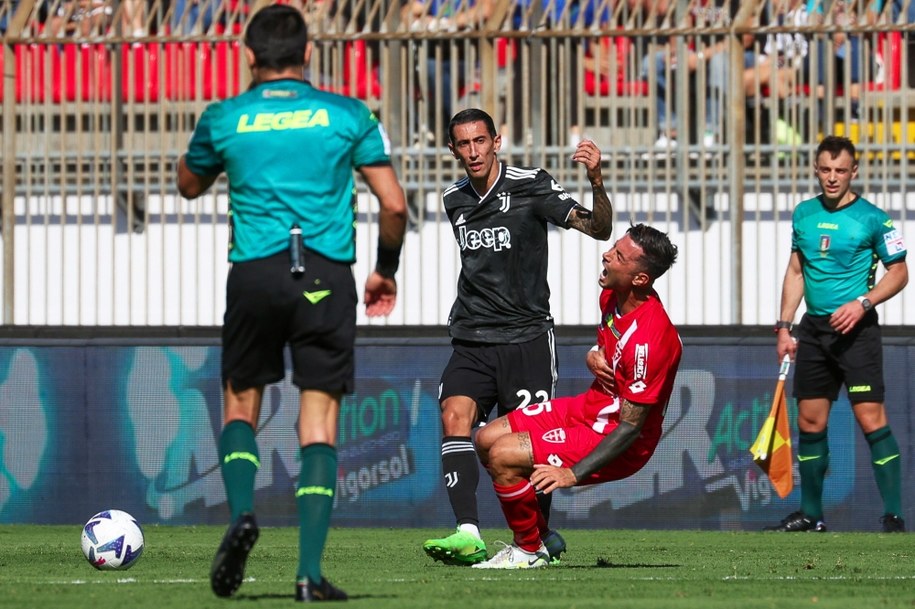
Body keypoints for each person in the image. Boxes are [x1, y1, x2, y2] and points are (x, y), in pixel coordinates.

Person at [176, 4, 407, 601]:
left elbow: (188, 183)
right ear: (309, 54)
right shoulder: (348, 113)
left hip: (254, 273)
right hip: (326, 276)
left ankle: (243, 513)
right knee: (319, 419)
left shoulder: (224, 117)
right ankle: (307, 573)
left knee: (239, 403)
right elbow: (394, 204)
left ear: (249, 56)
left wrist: (222, 153)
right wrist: (385, 271)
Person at [421, 108, 613, 566]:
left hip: (527, 339)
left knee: (527, 446)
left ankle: (537, 538)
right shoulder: (454, 200)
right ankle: (468, 531)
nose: (473, 151)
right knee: (454, 416)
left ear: (497, 141)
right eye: (463, 144)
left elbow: (600, 229)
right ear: (452, 149)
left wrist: (596, 179)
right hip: (471, 336)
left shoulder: (531, 185)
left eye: (480, 141)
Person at [471, 223, 682, 568]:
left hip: (616, 435)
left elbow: (630, 427)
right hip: (590, 407)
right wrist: (591, 354)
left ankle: (527, 550)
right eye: (613, 248)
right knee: (486, 438)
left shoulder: (651, 340)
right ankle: (542, 538)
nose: (606, 255)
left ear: (640, 279)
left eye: (618, 256)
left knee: (505, 455)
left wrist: (574, 474)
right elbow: (610, 351)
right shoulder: (612, 295)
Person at [768, 135, 908, 534]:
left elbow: (899, 272)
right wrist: (784, 326)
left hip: (857, 332)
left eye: (840, 170)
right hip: (813, 331)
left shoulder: (874, 219)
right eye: (826, 170)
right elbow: (796, 271)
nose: (832, 178)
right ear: (816, 169)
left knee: (870, 419)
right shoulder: (804, 214)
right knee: (810, 423)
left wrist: (864, 302)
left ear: (854, 172)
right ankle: (811, 515)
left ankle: (893, 515)